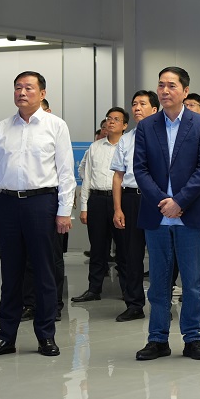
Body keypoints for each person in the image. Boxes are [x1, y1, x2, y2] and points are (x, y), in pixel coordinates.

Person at [0, 71, 75, 358]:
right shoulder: (2, 128)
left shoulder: (56, 126)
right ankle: (5, 337)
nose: (22, 92)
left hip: (42, 203)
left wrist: (64, 211)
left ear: (42, 93)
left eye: (29, 88)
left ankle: (45, 336)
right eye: (18, 87)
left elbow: (66, 172)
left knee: (44, 272)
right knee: (10, 273)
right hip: (7, 204)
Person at [133, 67, 200, 362]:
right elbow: (140, 169)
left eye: (171, 85)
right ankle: (157, 339)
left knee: (191, 283)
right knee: (158, 282)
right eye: (161, 85)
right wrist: (163, 201)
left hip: (189, 214)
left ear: (185, 90)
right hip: (157, 215)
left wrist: (179, 201)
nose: (165, 91)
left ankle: (193, 338)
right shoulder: (146, 126)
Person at [111, 90, 159, 321]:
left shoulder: (164, 135)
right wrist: (117, 208)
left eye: (142, 104)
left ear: (154, 109)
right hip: (131, 199)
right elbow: (118, 176)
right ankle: (134, 304)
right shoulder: (126, 139)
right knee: (131, 255)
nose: (137, 108)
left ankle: (161, 304)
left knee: (160, 254)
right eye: (134, 104)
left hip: (157, 199)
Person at [73, 108, 129, 306]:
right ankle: (94, 289)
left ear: (125, 125)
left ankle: (127, 290)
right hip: (97, 200)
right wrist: (84, 207)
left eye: (116, 119)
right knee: (97, 247)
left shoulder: (129, 146)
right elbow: (87, 177)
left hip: (121, 201)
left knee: (124, 248)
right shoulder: (95, 147)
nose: (111, 122)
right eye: (108, 119)